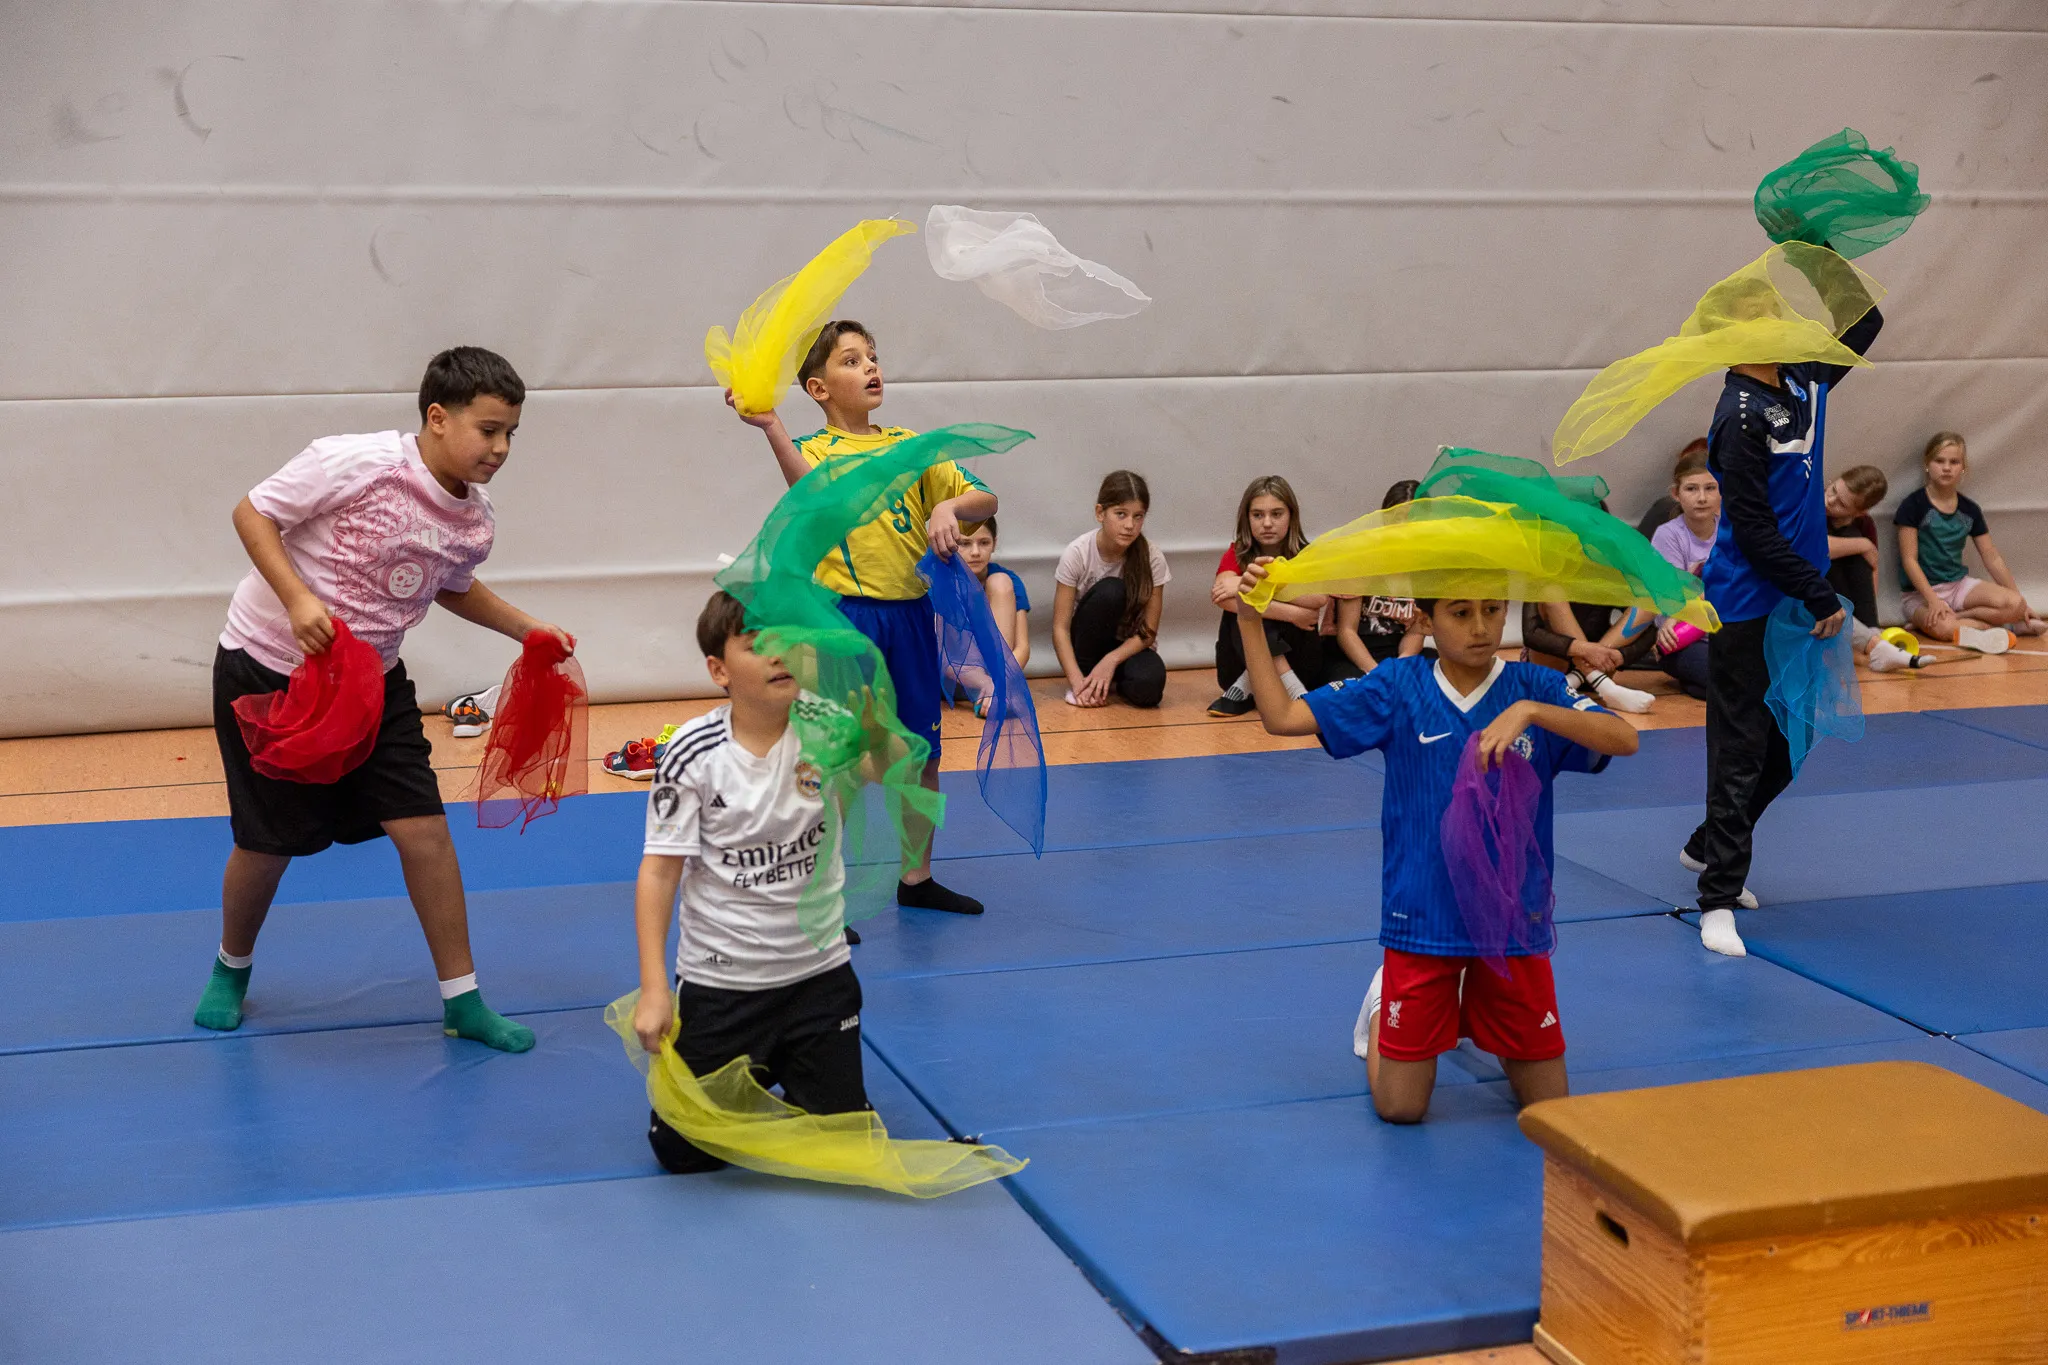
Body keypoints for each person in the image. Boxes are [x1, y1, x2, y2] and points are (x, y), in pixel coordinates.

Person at [194, 347, 570, 1051]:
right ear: (438, 416)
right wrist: (297, 599)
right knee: (267, 843)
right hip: (271, 672)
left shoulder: (473, 518)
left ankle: (463, 1000)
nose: (500, 448)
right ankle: (230, 967)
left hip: (372, 682)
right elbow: (253, 513)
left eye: (511, 434)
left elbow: (450, 584)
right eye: (488, 429)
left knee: (424, 830)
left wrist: (526, 628)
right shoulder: (356, 462)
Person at [1231, 570, 1638, 1123]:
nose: (1481, 627)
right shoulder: (1398, 685)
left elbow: (1624, 739)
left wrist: (1532, 712)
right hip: (1422, 916)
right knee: (1401, 1108)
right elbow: (1281, 718)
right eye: (1460, 612)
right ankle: (1384, 1004)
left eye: (1492, 609)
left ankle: (1488, 1021)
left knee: (1550, 1111)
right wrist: (1250, 620)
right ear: (1425, 618)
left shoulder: (1535, 687)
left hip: (1512, 922)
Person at [726, 319, 990, 916]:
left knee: (921, 753)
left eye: (872, 356)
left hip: (911, 620)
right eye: (851, 360)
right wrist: (771, 426)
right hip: (844, 623)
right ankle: (820, 893)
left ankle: (916, 879)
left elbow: (986, 498)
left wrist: (949, 505)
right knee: (835, 761)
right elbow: (811, 496)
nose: (871, 366)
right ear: (818, 389)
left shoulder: (910, 446)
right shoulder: (816, 451)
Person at [629, 592, 868, 1173]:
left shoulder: (828, 726)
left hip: (819, 975)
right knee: (682, 1153)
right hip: (724, 982)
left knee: (845, 1142)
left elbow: (879, 772)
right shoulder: (693, 753)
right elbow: (659, 871)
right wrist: (655, 989)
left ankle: (796, 1062)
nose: (777, 654)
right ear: (720, 670)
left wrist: (878, 732)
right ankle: (758, 1069)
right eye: (756, 644)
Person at [1684, 249, 1879, 959]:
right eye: (1765, 314)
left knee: (1789, 745)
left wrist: (1815, 253)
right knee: (1740, 748)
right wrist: (1817, 588)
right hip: (1750, 601)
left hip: (1796, 598)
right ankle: (1717, 895)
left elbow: (1865, 321)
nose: (1783, 318)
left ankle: (1709, 842)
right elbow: (1753, 525)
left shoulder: (1804, 377)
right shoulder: (1737, 415)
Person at [1896, 432, 2042, 650]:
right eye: (1939, 461)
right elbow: (1909, 560)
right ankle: (2004, 626)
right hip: (1920, 594)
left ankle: (1964, 618)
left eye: (1954, 462)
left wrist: (2022, 606)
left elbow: (1991, 557)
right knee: (1946, 629)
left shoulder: (1969, 509)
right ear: (1927, 464)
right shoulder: (1913, 505)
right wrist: (1933, 601)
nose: (1947, 468)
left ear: (1963, 467)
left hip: (1958, 586)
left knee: (2015, 603)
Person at [1518, 499, 1659, 714]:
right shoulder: (1545, 565)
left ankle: (1579, 681)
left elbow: (1649, 631)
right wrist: (1584, 650)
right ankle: (1604, 686)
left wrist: (1621, 656)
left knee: (1648, 603)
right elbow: (1531, 634)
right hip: (1553, 665)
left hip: (1600, 661)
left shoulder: (1608, 569)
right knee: (1552, 592)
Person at [1209, 475, 1332, 716]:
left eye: (1276, 514)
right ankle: (1294, 692)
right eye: (1258, 515)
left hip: (1300, 663)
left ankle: (1247, 688)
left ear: (1291, 516)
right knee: (1243, 609)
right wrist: (1292, 613)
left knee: (1248, 599)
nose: (1267, 523)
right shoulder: (1237, 552)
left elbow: (1319, 598)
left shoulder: (1306, 555)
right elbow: (1222, 595)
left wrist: (1256, 584)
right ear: (1247, 518)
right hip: (1238, 664)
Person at [1053, 470, 1170, 708]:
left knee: (1149, 689)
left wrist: (1112, 659)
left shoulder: (1153, 558)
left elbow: (1148, 632)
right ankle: (1089, 679)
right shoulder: (1077, 553)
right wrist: (1077, 682)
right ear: (1100, 513)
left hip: (1126, 649)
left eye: (1138, 516)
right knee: (1112, 591)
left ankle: (1109, 680)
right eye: (1121, 514)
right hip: (1087, 647)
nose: (1130, 525)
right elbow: (1060, 628)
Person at [1821, 465, 1920, 671]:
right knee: (1853, 547)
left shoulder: (1863, 524)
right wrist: (1863, 544)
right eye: (1833, 490)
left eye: (1842, 504)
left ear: (1859, 512)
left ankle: (1870, 633)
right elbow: (1816, 549)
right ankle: (1873, 645)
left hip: (1842, 599)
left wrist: (1868, 618)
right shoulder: (1813, 507)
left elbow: (1871, 567)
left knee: (1857, 554)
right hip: (1814, 589)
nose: (1830, 501)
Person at [1332, 479, 1430, 676]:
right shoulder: (1361, 560)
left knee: (1436, 672)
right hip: (1356, 654)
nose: (1404, 526)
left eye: (1413, 519)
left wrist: (1399, 668)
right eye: (1397, 518)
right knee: (1356, 688)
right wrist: (1376, 673)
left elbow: (1417, 631)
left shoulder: (1428, 569)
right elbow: (1346, 631)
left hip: (1398, 652)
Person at [1648, 445, 1720, 699]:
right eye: (1691, 489)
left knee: (1746, 677)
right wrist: (1677, 616)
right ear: (1676, 494)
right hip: (1680, 639)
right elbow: (1674, 595)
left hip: (1723, 634)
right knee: (1729, 680)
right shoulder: (1668, 535)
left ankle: (1695, 686)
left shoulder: (1731, 531)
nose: (1702, 498)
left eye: (1710, 488)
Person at [952, 515, 1031, 718]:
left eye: (984, 543)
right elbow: (940, 655)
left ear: (994, 543)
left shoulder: (1009, 579)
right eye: (965, 543)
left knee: (1000, 582)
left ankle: (995, 695)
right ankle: (990, 694)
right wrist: (984, 684)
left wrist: (1000, 684)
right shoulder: (940, 580)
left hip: (998, 679)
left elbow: (1022, 647)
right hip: (953, 679)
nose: (975, 552)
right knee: (952, 585)